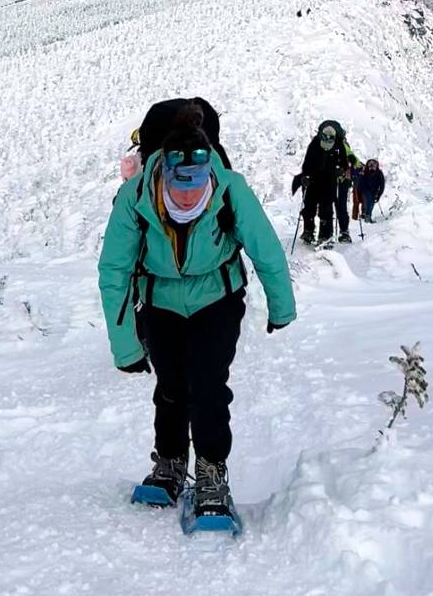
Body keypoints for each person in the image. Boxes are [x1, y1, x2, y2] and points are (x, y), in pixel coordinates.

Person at [99, 103, 297, 519]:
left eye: (197, 181)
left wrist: (281, 306)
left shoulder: (230, 189)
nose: (189, 193)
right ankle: (169, 463)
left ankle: (211, 470)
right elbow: (114, 271)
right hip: (159, 301)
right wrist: (126, 348)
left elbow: (266, 249)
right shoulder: (135, 199)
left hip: (217, 299)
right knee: (171, 385)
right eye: (179, 183)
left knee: (206, 385)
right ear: (162, 172)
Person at [296, 120, 359, 245]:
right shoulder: (315, 143)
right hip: (315, 179)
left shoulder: (338, 145)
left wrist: (340, 171)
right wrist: (305, 176)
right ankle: (314, 233)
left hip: (328, 180)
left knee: (323, 208)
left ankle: (321, 234)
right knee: (312, 206)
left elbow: (344, 163)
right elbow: (308, 162)